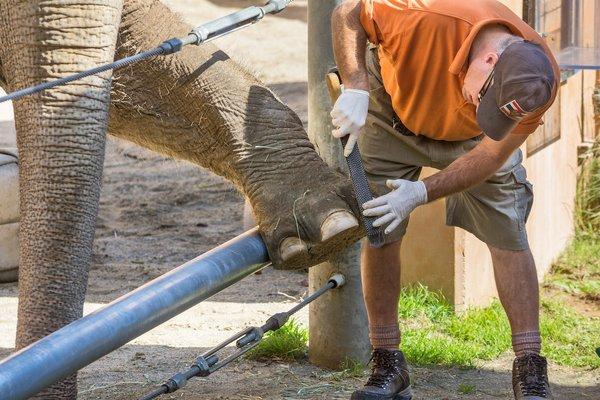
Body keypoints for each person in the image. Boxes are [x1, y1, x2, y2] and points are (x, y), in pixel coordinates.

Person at [330, 1, 560, 399]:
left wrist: (421, 193)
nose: (480, 106)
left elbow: (489, 156)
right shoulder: (422, 12)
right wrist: (355, 84)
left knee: (508, 231)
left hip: (473, 142)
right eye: (484, 97)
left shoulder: (537, 80)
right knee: (380, 228)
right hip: (394, 114)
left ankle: (529, 366)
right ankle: (387, 360)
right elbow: (347, 11)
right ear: (488, 59)